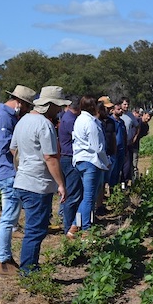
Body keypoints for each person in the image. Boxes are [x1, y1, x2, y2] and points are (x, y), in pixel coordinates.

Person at [10, 86, 70, 274]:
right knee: (35, 230)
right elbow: (50, 158)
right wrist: (61, 184)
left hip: (23, 181)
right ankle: (28, 271)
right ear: (50, 105)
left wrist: (26, 164)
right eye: (58, 106)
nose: (60, 110)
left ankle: (30, 266)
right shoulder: (44, 124)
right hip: (38, 185)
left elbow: (13, 149)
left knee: (33, 228)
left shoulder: (23, 121)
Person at [0, 85, 37, 276]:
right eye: (26, 106)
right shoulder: (3, 117)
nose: (26, 111)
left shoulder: (10, 117)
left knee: (11, 217)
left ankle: (5, 258)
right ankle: (3, 260)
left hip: (11, 172)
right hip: (8, 172)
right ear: (19, 103)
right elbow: (6, 147)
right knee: (8, 219)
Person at [66, 95, 110, 238]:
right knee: (89, 198)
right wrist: (106, 162)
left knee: (87, 197)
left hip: (80, 161)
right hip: (91, 162)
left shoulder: (79, 119)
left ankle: (74, 227)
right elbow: (97, 147)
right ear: (93, 107)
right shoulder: (90, 122)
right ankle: (86, 230)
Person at [58, 98, 82, 236]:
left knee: (74, 193)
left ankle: (73, 224)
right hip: (69, 157)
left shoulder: (69, 117)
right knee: (73, 195)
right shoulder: (70, 120)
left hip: (68, 157)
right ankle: (69, 227)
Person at [109, 102, 127, 190]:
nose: (121, 111)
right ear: (113, 110)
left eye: (121, 109)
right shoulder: (110, 121)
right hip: (113, 150)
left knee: (118, 171)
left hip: (121, 150)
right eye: (118, 109)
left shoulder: (122, 122)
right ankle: (111, 190)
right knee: (112, 171)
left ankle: (116, 189)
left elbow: (124, 136)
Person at [120, 97, 138, 185]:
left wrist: (134, 137)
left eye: (127, 104)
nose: (126, 106)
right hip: (119, 144)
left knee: (127, 165)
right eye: (124, 104)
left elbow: (137, 126)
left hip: (128, 143)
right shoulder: (117, 115)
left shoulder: (131, 115)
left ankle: (125, 183)